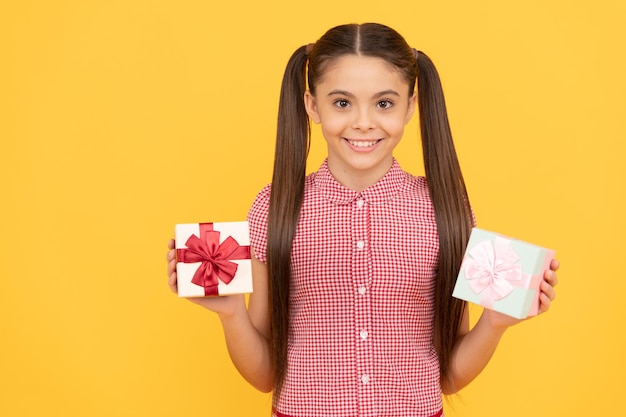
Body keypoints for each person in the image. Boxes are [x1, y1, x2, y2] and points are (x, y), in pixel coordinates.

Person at [166, 22, 559, 417]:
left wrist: (494, 323)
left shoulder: (446, 210)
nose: (363, 122)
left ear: (410, 106)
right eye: (342, 103)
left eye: (384, 103)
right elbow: (265, 375)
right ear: (312, 105)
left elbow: (449, 377)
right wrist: (231, 311)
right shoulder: (274, 208)